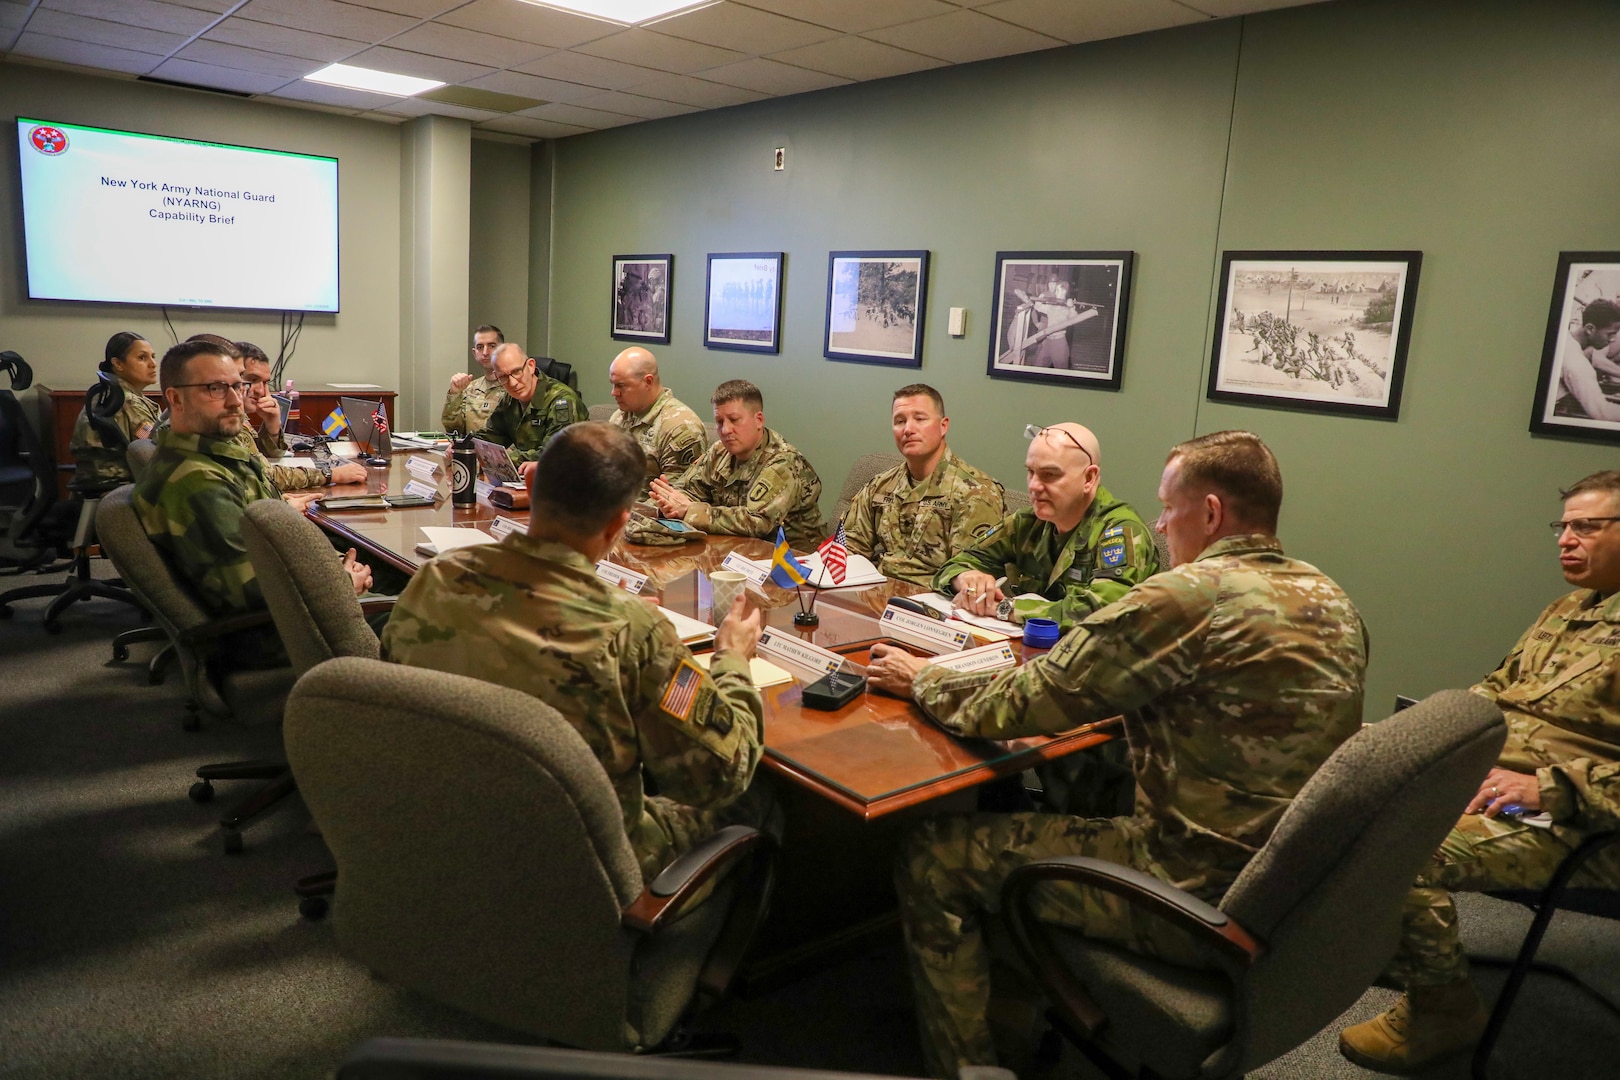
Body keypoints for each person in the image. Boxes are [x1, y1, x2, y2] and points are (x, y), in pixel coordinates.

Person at [865, 430, 1369, 1078]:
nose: (1159, 525)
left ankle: (972, 1067)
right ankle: (1021, 1012)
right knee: (1058, 793)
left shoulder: (1187, 595)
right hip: (1293, 887)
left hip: (1189, 887)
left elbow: (1025, 702)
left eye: (1168, 508)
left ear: (1210, 514)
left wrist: (921, 677)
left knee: (933, 855)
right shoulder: (1332, 597)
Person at [382, 422, 768, 881]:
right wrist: (733, 660)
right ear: (620, 523)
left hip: (445, 829)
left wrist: (626, 619)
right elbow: (721, 774)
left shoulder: (435, 579)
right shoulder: (635, 632)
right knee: (758, 798)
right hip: (582, 868)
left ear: (529, 484)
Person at [1338, 469, 1620, 1073]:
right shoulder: (1568, 608)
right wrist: (1429, 738)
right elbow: (1498, 689)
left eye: (1586, 527)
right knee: (1342, 791)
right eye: (1563, 527)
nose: (1566, 540)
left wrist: (1544, 787)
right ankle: (1402, 942)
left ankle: (1444, 1009)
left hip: (1579, 819)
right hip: (1491, 781)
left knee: (1399, 847)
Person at [132, 341, 372, 663]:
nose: (236, 401)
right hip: (285, 636)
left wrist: (333, 565)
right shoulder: (196, 481)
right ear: (175, 398)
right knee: (437, 609)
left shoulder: (211, 455)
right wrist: (341, 583)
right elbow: (249, 592)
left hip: (291, 606)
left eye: (236, 386)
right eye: (216, 389)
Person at [933, 423, 1159, 630]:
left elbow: (1099, 613)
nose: (1034, 486)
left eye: (1050, 475)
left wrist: (1006, 609)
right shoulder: (1028, 523)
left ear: (1089, 478)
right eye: (1030, 472)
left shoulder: (1120, 533)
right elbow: (956, 564)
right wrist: (966, 577)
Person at [842, 384, 1005, 586]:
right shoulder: (881, 486)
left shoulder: (975, 492)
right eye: (900, 421)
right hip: (877, 594)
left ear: (943, 426)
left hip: (936, 603)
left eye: (920, 419)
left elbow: (970, 573)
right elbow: (848, 549)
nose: (908, 429)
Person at [648, 379, 824, 548]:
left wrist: (690, 511)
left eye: (734, 420)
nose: (725, 430)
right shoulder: (719, 451)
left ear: (759, 420)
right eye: (719, 422)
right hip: (733, 549)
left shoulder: (782, 462)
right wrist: (671, 504)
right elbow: (690, 490)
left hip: (791, 562)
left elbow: (757, 522)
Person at [480, 342, 588, 481]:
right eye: (504, 377)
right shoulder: (510, 398)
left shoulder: (562, 401)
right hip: (530, 480)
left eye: (517, 372)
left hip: (567, 484)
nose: (513, 383)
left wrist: (503, 457)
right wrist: (464, 447)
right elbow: (491, 436)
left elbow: (555, 455)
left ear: (530, 366)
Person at [606, 346, 706, 491]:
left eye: (621, 386)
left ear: (648, 382)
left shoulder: (679, 428)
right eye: (613, 384)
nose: (614, 393)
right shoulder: (619, 418)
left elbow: (677, 498)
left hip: (650, 511)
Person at [69, 331, 160, 487]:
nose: (153, 364)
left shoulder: (111, 392)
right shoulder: (127, 401)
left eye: (153, 356)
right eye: (142, 358)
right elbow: (152, 451)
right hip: (120, 484)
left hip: (105, 482)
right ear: (118, 364)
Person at [1551, 299, 1620, 422]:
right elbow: (1602, 412)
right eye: (1610, 334)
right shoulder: (1576, 362)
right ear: (1590, 329)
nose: (1613, 339)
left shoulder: (1562, 338)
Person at [441, 324, 505, 436]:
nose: (485, 352)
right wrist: (455, 394)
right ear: (475, 353)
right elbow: (453, 429)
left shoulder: (516, 387)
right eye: (480, 347)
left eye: (492, 346)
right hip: (472, 451)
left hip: (506, 453)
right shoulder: (469, 388)